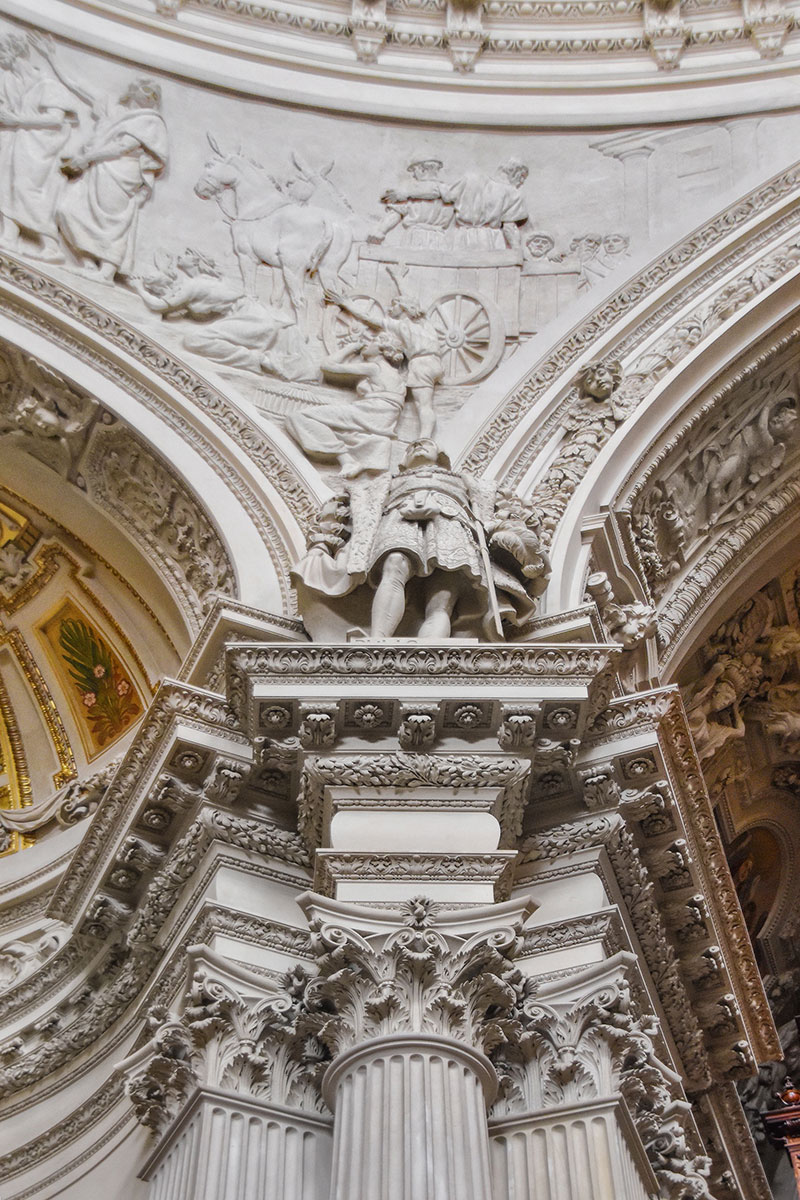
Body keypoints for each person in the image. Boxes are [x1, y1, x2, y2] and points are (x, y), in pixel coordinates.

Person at [131, 248, 314, 381]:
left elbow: (158, 306)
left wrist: (139, 288)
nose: (181, 255)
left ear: (196, 261)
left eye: (187, 253)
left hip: (251, 318)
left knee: (195, 340)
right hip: (254, 315)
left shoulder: (195, 284)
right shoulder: (209, 280)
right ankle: (261, 359)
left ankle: (262, 360)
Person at [56, 77, 168, 281]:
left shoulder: (150, 121)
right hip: (98, 169)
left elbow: (123, 147)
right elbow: (79, 87)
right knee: (67, 209)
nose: (150, 96)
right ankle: (88, 263)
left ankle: (107, 272)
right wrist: (51, 59)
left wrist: (85, 158)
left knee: (114, 222)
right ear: (133, 90)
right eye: (146, 90)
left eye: (154, 94)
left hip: (122, 174)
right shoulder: (115, 110)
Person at [0, 33, 89, 261]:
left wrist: (17, 120)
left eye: (1, 52)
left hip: (39, 148)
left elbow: (55, 120)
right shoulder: (12, 82)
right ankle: (10, 235)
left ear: (14, 52)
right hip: (18, 143)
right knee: (6, 183)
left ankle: (50, 243)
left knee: (24, 188)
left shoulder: (47, 84)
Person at [324, 287, 443, 441]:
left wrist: (346, 303)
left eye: (394, 305)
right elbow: (410, 299)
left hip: (420, 364)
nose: (389, 308)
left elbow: (367, 317)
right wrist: (399, 280)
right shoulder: (424, 323)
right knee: (425, 403)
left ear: (403, 308)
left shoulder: (398, 326)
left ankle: (425, 438)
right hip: (436, 363)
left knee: (423, 405)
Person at [284, 334, 407, 476]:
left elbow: (328, 366)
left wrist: (350, 348)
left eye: (373, 340)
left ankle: (347, 460)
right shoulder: (395, 374)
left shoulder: (375, 368)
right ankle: (362, 450)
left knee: (299, 417)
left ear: (382, 349)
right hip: (382, 417)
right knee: (333, 427)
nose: (368, 343)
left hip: (371, 411)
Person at [443, 158, 529, 253]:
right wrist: (517, 251)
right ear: (514, 173)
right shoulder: (513, 194)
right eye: (522, 177)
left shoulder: (470, 178)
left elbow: (447, 197)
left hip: (462, 237)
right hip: (491, 239)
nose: (522, 182)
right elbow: (509, 228)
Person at [371, 155, 453, 247]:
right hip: (439, 240)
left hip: (415, 238)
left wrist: (380, 232)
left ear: (423, 170)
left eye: (414, 170)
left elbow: (395, 215)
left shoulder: (409, 191)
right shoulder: (449, 192)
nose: (413, 175)